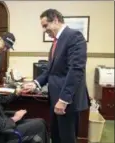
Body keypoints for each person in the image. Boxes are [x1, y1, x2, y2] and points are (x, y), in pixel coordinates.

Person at [22, 9, 90, 143]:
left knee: (67, 138)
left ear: (56, 20)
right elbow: (50, 70)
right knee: (56, 135)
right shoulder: (56, 41)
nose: (44, 30)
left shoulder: (74, 36)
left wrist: (64, 100)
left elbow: (76, 70)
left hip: (66, 100)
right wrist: (35, 83)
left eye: (45, 25)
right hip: (55, 98)